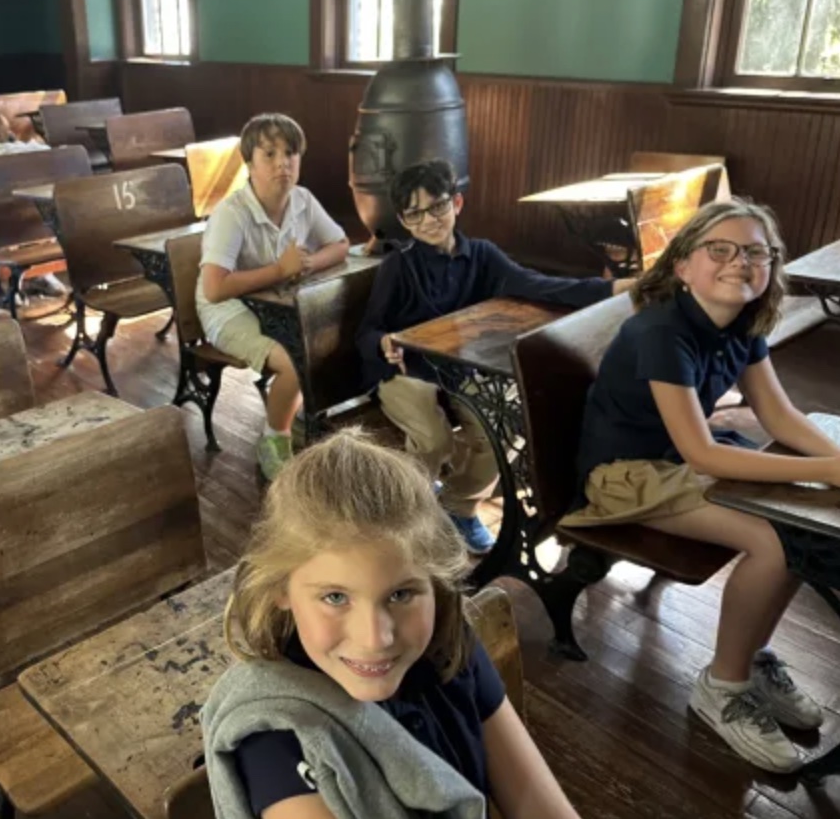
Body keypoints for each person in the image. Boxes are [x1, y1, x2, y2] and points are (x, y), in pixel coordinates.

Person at [563, 198, 839, 773]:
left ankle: (750, 655)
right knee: (774, 541)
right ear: (683, 265)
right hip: (625, 475)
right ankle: (723, 686)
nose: (740, 262)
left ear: (770, 269)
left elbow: (781, 416)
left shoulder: (744, 321)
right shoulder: (663, 330)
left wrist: (835, 461)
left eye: (756, 253)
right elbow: (700, 450)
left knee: (799, 526)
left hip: (680, 464)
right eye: (721, 249)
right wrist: (826, 472)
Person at [202, 432, 581, 819]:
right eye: (335, 597)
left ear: (435, 582)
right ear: (281, 588)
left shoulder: (449, 645)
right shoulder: (280, 737)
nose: (375, 638)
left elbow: (539, 804)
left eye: (401, 595)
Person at [356, 160, 634, 555]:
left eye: (437, 207)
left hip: (456, 368)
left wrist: (614, 290)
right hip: (402, 369)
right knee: (433, 439)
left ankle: (458, 505)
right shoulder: (398, 266)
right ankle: (409, 515)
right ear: (403, 219)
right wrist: (383, 342)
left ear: (457, 203)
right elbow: (367, 330)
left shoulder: (482, 255)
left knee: (503, 428)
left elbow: (540, 286)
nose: (429, 220)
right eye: (415, 213)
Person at [197, 113, 350, 481]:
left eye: (291, 153)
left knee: (334, 341)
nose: (283, 163)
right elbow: (214, 288)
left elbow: (341, 244)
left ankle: (302, 415)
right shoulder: (231, 214)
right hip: (228, 311)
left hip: (277, 303)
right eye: (269, 154)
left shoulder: (302, 199)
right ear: (249, 163)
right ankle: (274, 440)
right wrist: (281, 270)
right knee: (296, 362)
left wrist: (309, 263)